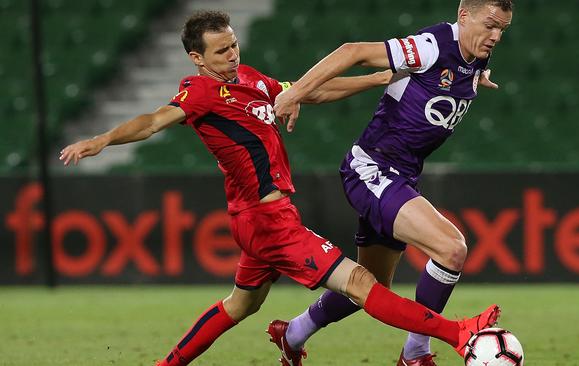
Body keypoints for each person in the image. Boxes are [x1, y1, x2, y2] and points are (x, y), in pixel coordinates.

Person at [59, 10, 499, 366]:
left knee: (239, 306)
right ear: (197, 59)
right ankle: (456, 334)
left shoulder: (249, 79)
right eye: (220, 51)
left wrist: (375, 79)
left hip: (260, 217)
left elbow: (311, 94)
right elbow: (152, 121)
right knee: (363, 284)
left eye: (233, 45)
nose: (232, 55)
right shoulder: (199, 93)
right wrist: (102, 140)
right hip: (268, 223)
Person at [272, 0, 513, 365]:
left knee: (370, 286)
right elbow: (352, 52)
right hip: (371, 168)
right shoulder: (431, 46)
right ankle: (416, 354)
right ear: (464, 16)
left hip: (400, 175)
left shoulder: (474, 53)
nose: (495, 36)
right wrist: (295, 92)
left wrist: (477, 74)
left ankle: (292, 334)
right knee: (451, 248)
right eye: (490, 25)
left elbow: (462, 68)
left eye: (502, 30)